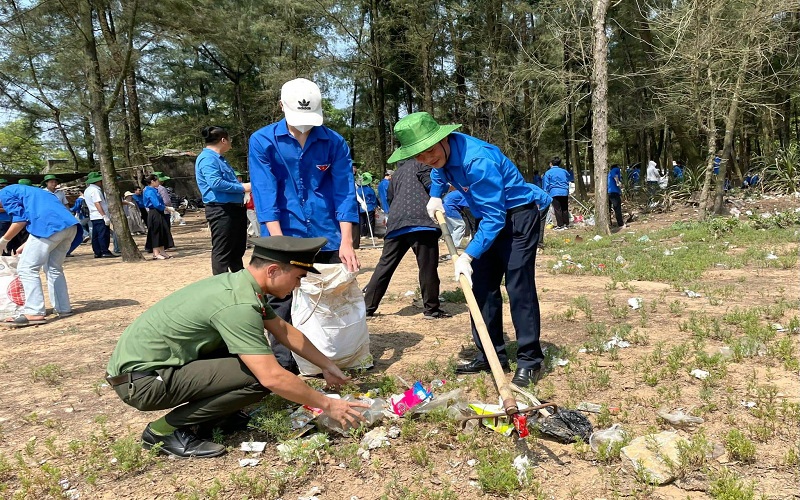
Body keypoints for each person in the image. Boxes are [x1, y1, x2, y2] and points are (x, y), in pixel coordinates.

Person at [105, 236, 369, 458]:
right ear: (273, 271)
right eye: (298, 277)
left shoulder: (240, 286)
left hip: (154, 370)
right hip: (144, 382)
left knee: (253, 365)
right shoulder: (239, 305)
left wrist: (328, 365)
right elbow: (273, 378)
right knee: (260, 378)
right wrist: (328, 405)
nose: (298, 285)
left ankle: (219, 417)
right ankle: (162, 432)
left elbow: (284, 330)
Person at [388, 112, 545, 387]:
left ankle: (530, 360)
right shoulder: (441, 156)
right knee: (481, 286)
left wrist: (468, 255)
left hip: (517, 217)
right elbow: (439, 171)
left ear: (444, 139)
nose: (427, 158)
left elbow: (496, 217)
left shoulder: (477, 161)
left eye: (431, 151)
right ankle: (490, 354)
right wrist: (436, 195)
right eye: (419, 156)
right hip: (489, 218)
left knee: (519, 286)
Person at [248, 77, 359, 372]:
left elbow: (344, 191)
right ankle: (286, 366)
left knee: (331, 295)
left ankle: (333, 357)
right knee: (280, 300)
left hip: (327, 234)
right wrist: (278, 244)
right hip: (283, 231)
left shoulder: (334, 142)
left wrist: (346, 241)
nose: (304, 126)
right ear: (281, 106)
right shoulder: (263, 141)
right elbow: (264, 192)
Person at [363, 158, 450, 320]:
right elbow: (431, 185)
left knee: (385, 265)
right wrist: (445, 187)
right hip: (421, 221)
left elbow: (389, 197)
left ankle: (367, 308)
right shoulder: (424, 164)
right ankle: (431, 309)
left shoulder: (397, 173)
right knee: (427, 266)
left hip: (396, 221)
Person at [0, 184, 82, 326]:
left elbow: (20, 220)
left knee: (27, 268)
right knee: (53, 268)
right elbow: (44, 214)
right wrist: (27, 245)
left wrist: (3, 241)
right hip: (69, 226)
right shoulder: (30, 191)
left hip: (49, 227)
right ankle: (63, 308)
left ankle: (34, 312)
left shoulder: (4, 193)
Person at [195, 126, 251, 275]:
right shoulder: (207, 158)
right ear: (223, 140)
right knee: (223, 251)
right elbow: (216, 183)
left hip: (234, 209)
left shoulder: (219, 159)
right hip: (221, 210)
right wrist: (243, 187)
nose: (230, 142)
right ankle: (222, 286)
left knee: (236, 250)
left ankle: (239, 281)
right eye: (229, 139)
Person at [83, 171, 118, 258]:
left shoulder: (87, 190)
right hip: (99, 215)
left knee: (95, 235)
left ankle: (97, 251)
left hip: (93, 215)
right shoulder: (95, 190)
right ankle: (104, 251)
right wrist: (104, 216)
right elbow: (97, 203)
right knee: (103, 234)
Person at [143, 174, 173, 260]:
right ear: (152, 181)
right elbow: (156, 204)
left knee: (162, 231)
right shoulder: (149, 191)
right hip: (154, 212)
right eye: (157, 181)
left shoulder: (154, 190)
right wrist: (166, 207)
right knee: (155, 232)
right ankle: (156, 253)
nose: (158, 182)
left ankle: (162, 251)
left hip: (159, 212)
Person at [542, 157, 571, 231]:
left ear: (551, 164)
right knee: (565, 208)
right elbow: (568, 178)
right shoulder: (564, 171)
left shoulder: (548, 172)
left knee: (557, 209)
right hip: (564, 191)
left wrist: (545, 191)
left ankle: (560, 225)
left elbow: (546, 184)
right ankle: (566, 224)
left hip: (554, 192)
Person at [355, 173, 377, 237]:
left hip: (361, 207)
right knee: (370, 221)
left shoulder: (357, 190)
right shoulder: (370, 189)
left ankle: (362, 234)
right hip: (369, 206)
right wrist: (375, 206)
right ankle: (370, 234)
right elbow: (373, 199)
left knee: (362, 221)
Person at [608, 164, 626, 229]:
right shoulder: (615, 169)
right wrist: (618, 183)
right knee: (617, 208)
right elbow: (615, 175)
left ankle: (609, 223)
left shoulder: (608, 173)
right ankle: (620, 224)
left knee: (608, 209)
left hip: (609, 192)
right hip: (614, 192)